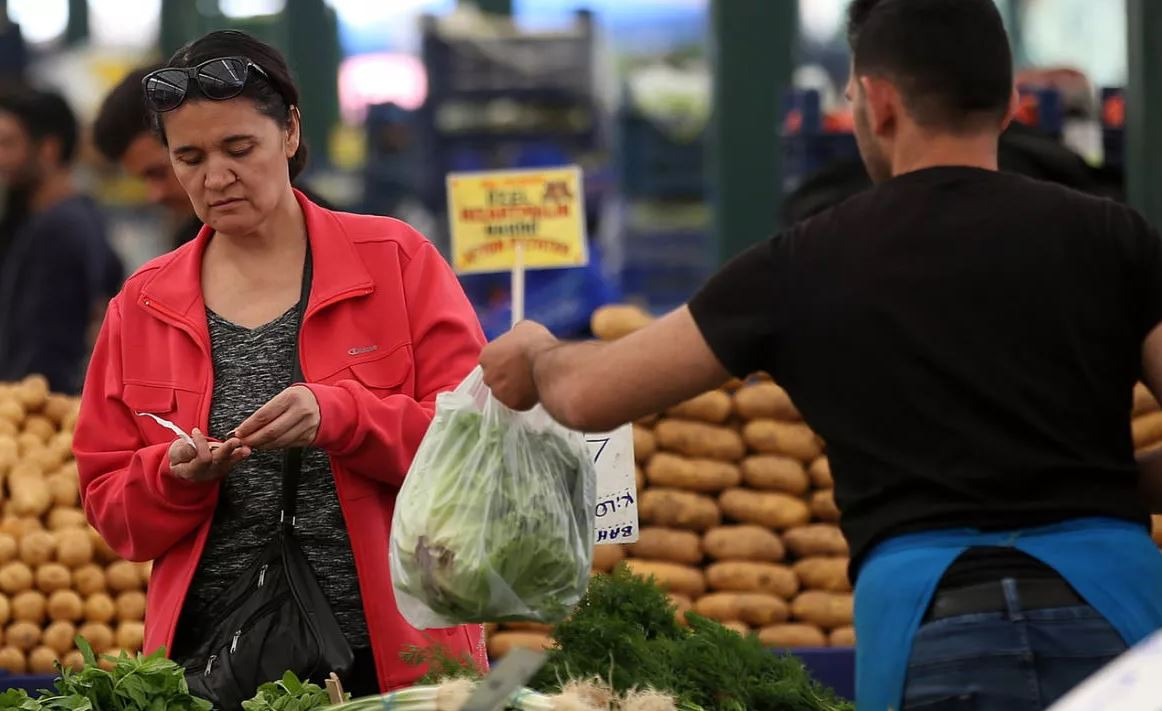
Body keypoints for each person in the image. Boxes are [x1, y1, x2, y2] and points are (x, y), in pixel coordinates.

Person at [480, 1, 1162, 709]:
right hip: (1118, 618)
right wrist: (1116, 481)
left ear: (879, 102)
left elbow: (592, 395)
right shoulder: (1114, 238)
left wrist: (539, 353)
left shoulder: (807, 260)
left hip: (934, 630)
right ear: (1013, 103)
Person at [72, 30, 487, 695]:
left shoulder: (397, 261)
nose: (215, 177)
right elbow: (111, 508)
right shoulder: (142, 305)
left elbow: (478, 449)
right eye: (189, 157)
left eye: (239, 148)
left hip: (396, 665)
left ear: (290, 131)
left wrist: (345, 415)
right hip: (210, 667)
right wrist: (174, 476)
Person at [0, 87, 123, 394]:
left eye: (6, 143)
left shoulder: (60, 228)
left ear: (48, 149)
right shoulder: (64, 217)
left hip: (40, 409)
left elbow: (45, 346)